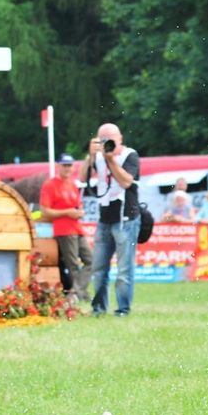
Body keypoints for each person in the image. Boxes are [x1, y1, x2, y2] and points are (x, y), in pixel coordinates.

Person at [78, 123, 140, 317]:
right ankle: (98, 308)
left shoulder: (130, 155)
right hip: (104, 218)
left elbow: (126, 181)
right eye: (103, 140)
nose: (108, 144)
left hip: (126, 219)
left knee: (124, 268)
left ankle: (122, 309)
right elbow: (81, 178)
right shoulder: (97, 157)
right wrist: (90, 156)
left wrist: (110, 160)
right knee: (98, 267)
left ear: (120, 138)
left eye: (111, 140)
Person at [38, 154, 91, 308]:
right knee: (73, 264)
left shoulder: (72, 184)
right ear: (58, 166)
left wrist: (79, 212)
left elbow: (77, 206)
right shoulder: (50, 185)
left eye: (70, 165)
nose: (67, 168)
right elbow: (44, 211)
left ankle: (76, 293)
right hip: (63, 230)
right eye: (64, 165)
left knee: (91, 260)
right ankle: (80, 294)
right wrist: (67, 212)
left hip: (76, 228)